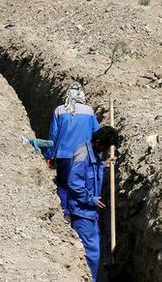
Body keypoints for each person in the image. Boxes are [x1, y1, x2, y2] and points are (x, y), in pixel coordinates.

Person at [67, 126, 119, 282]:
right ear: (97, 142)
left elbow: (91, 172)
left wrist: (104, 164)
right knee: (92, 252)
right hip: (81, 211)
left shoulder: (94, 153)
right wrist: (91, 199)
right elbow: (74, 183)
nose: (104, 151)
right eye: (104, 147)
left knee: (93, 249)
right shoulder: (83, 155)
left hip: (90, 212)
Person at [47, 82, 100, 217]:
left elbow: (53, 135)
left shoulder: (59, 110)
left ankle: (65, 212)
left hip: (64, 155)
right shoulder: (89, 111)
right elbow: (97, 133)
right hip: (83, 156)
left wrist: (50, 155)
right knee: (81, 185)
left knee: (64, 185)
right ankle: (80, 213)